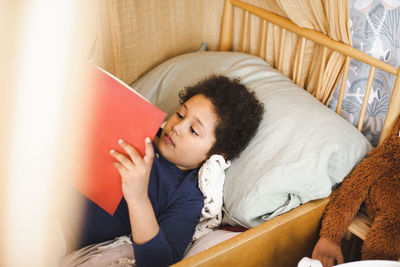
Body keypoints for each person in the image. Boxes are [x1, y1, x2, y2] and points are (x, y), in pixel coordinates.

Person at [67, 75, 264, 267]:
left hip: (63, 230)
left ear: (214, 154)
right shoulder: (142, 131)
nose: (177, 126)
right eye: (180, 114)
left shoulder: (188, 195)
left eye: (193, 130)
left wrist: (138, 198)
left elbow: (160, 260)